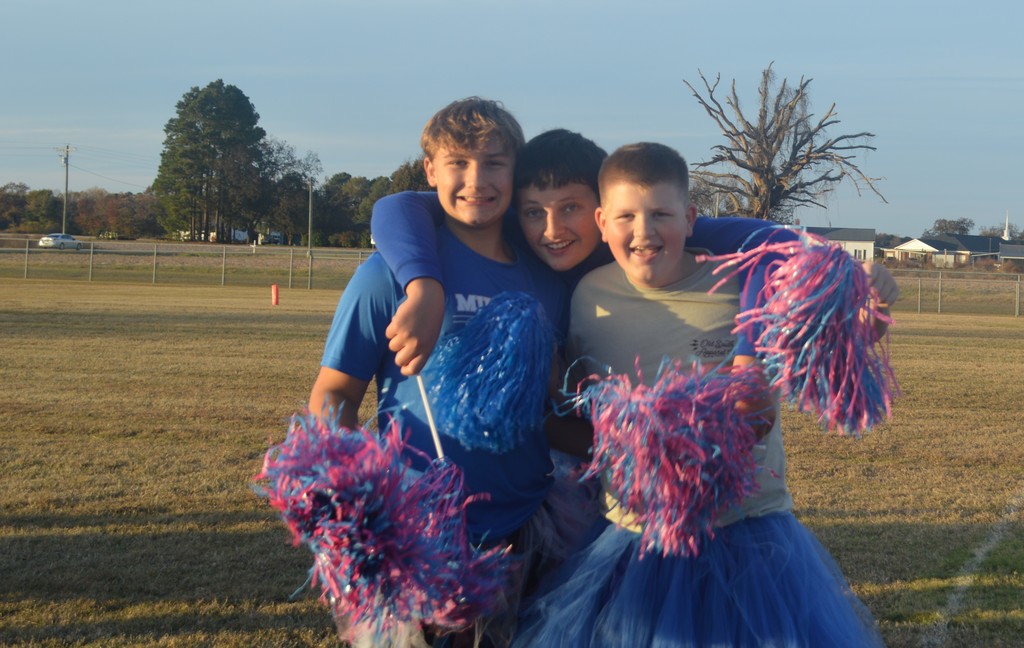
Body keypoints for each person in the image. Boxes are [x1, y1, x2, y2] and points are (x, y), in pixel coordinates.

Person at [509, 142, 889, 647]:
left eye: (660, 214)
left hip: (745, 530)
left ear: (690, 217)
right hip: (633, 535)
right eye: (625, 216)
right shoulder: (587, 295)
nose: (643, 232)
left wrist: (869, 299)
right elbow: (576, 402)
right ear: (602, 222)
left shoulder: (742, 283)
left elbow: (829, 339)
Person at [308, 97, 593, 647]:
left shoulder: (546, 276)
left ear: (515, 171)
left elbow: (542, 410)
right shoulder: (389, 274)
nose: (475, 180)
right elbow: (336, 392)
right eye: (458, 163)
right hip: (419, 536)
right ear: (430, 171)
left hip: (528, 525)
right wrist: (350, 494)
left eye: (493, 163)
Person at [370, 128, 798, 378]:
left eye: (571, 208)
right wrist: (424, 288)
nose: (552, 230)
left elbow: (781, 244)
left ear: (602, 212)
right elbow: (397, 206)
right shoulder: (520, 234)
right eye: (535, 211)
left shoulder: (645, 234)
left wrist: (748, 359)